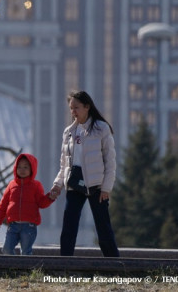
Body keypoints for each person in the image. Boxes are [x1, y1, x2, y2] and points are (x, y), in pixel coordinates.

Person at [49, 90, 120, 257]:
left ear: (87, 107)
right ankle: (65, 265)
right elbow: (64, 164)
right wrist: (58, 184)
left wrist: (106, 188)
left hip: (97, 186)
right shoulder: (68, 132)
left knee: (103, 227)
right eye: (71, 108)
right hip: (74, 185)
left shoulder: (101, 129)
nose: (73, 111)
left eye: (77, 107)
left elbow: (110, 161)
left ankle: (114, 265)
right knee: (69, 226)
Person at [0, 153, 55, 255]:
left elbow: (41, 203)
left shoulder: (36, 185)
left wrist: (50, 197)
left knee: (26, 252)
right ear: (15, 168)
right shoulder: (11, 185)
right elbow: (4, 203)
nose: (22, 170)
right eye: (19, 167)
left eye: (26, 167)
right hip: (13, 226)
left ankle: (25, 270)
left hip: (29, 226)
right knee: (6, 249)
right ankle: (13, 268)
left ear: (32, 169)